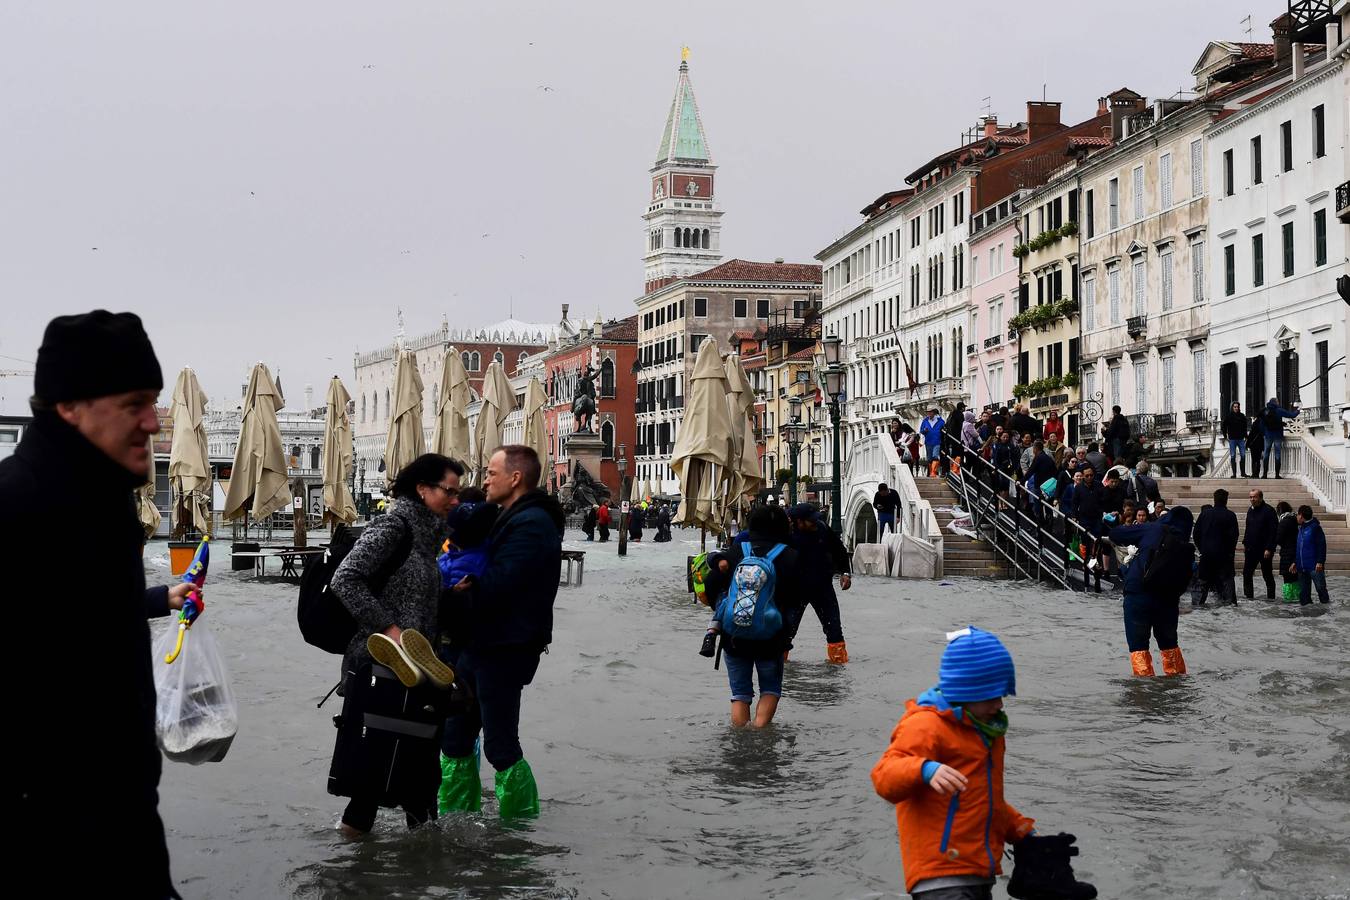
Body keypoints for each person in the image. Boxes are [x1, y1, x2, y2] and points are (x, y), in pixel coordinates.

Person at [2, 311, 201, 898]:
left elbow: (83, 618)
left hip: (123, 829)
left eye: (157, 401)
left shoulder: (102, 503)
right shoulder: (19, 509)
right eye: (134, 402)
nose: (154, 422)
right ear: (70, 405)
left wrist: (158, 599)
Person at [871, 627, 1096, 900]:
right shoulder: (926, 725)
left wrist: (1022, 832)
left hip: (978, 868)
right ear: (965, 690)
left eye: (1002, 695)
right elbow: (884, 776)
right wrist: (925, 769)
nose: (999, 704)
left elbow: (981, 798)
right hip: (940, 872)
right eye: (991, 697)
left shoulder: (985, 730)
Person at [330, 453, 462, 836]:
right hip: (381, 668)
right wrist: (389, 628)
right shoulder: (394, 526)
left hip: (416, 671)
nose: (455, 499)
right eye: (448, 491)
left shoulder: (428, 538)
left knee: (418, 778)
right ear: (422, 489)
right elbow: (345, 579)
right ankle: (371, 871)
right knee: (374, 784)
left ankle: (417, 869)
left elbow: (413, 596)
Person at [439, 445, 564, 818]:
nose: (485, 480)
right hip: (479, 644)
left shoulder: (532, 524)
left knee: (500, 743)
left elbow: (503, 582)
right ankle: (456, 818)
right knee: (456, 738)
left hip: (506, 647)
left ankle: (519, 829)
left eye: (492, 473)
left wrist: (460, 589)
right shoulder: (510, 517)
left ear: (515, 478)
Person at [704, 505, 805, 726]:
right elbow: (798, 597)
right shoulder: (790, 556)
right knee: (770, 688)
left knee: (740, 694)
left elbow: (710, 583)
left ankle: (741, 742)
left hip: (734, 634)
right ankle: (759, 735)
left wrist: (722, 609)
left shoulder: (737, 551)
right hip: (772, 636)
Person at [1109, 506, 1194, 676]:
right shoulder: (1186, 546)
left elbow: (1116, 535)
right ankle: (1175, 686)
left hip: (1138, 594)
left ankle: (1144, 693)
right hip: (1168, 601)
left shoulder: (1153, 528)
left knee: (1138, 647)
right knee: (1170, 646)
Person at [786, 503, 853, 663]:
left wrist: (845, 573)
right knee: (786, 632)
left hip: (822, 587)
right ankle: (781, 672)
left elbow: (840, 550)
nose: (814, 523)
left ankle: (838, 668)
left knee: (834, 629)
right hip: (795, 590)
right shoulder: (786, 535)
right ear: (798, 522)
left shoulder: (822, 528)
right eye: (810, 520)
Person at [1192, 488, 1238, 607]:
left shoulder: (1205, 514)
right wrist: (1229, 552)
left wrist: (1202, 548)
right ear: (1226, 500)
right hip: (1224, 557)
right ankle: (1229, 606)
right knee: (1227, 585)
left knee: (1201, 585)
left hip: (1207, 555)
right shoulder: (1230, 516)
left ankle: (1197, 606)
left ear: (1214, 499)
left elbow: (1196, 533)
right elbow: (1234, 537)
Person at [1242, 488, 1278, 600]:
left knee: (1267, 575)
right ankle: (1249, 597)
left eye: (1254, 497)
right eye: (1250, 497)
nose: (1252, 499)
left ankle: (1271, 598)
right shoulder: (1250, 510)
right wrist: (1245, 543)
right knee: (1247, 574)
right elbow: (1248, 528)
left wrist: (1269, 548)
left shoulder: (1269, 511)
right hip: (1250, 549)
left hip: (1264, 550)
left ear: (1260, 498)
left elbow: (1273, 531)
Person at [1294, 505, 1330, 605]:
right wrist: (1295, 562)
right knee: (1303, 594)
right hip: (1302, 566)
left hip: (1314, 566)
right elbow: (1299, 547)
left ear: (1301, 516)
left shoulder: (1315, 528)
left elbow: (1321, 545)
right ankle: (1306, 616)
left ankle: (1327, 612)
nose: (1296, 517)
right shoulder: (1301, 528)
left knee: (1320, 589)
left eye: (1297, 515)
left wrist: (1320, 562)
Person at [1260, 398, 1300, 478]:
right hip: (1277, 435)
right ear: (1276, 402)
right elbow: (1291, 415)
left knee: (1266, 454)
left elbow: (1261, 424)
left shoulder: (1265, 411)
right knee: (1277, 454)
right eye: (1278, 402)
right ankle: (1277, 474)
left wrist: (1264, 433)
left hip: (1268, 435)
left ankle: (1264, 474)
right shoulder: (1279, 410)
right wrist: (1298, 410)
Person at [1275, 501, 1299, 602]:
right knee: (1295, 579)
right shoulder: (1296, 519)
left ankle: (1288, 600)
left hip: (1287, 554)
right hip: (1296, 552)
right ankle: (1297, 598)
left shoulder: (1284, 522)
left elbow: (1278, 539)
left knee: (1287, 579)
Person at [1222, 401, 1248, 477]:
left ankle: (1243, 473)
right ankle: (1234, 474)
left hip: (1241, 439)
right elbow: (1224, 426)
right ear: (1232, 407)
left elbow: (1245, 427)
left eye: (1237, 407)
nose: (1236, 408)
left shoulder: (1242, 416)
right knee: (1233, 456)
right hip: (1232, 439)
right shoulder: (1228, 416)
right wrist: (1225, 435)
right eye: (1235, 407)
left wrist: (1246, 436)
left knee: (1243, 455)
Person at [1246, 413, 1266, 480]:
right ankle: (1257, 473)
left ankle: (1254, 473)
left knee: (1254, 459)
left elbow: (1250, 435)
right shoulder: (1262, 425)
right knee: (1258, 459)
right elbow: (1262, 437)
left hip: (1253, 445)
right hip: (1259, 445)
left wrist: (1247, 445)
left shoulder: (1255, 424)